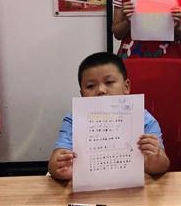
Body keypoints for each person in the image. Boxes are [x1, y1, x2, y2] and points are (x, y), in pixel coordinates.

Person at [48, 52, 170, 180]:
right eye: (90, 86)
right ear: (82, 94)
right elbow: (54, 163)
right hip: (90, 186)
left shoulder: (144, 119)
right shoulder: (74, 121)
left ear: (126, 87)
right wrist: (61, 167)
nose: (101, 90)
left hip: (133, 187)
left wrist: (155, 159)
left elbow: (163, 165)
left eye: (109, 82)